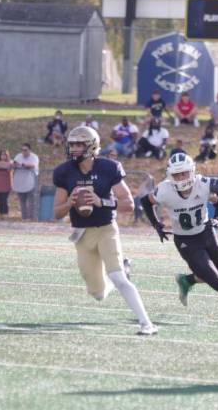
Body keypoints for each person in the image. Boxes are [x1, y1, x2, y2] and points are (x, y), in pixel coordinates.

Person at [52, 126, 157, 335]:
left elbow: (128, 204)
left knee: (118, 278)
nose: (74, 148)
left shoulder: (108, 168)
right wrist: (70, 203)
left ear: (92, 146)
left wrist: (102, 201)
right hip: (81, 235)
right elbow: (56, 212)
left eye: (79, 144)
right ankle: (121, 271)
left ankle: (146, 323)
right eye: (72, 144)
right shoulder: (64, 172)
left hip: (106, 230)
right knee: (98, 294)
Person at [140, 153, 218, 325]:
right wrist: (156, 224)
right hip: (187, 242)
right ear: (171, 175)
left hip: (207, 234)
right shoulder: (165, 190)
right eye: (177, 175)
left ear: (191, 171)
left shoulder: (203, 184)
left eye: (184, 173)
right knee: (217, 282)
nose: (181, 177)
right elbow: (145, 201)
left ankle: (188, 279)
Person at [13, 143, 39, 220]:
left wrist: (23, 165)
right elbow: (14, 164)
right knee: (22, 201)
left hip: (31, 181)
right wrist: (16, 165)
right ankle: (24, 218)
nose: (23, 152)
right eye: (22, 150)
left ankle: (31, 218)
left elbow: (32, 165)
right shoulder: (18, 156)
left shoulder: (34, 157)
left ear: (29, 150)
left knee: (31, 201)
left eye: (25, 150)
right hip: (20, 182)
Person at [0, 150, 13, 217]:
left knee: (4, 200)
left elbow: (8, 166)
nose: (3, 156)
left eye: (4, 155)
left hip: (6, 184)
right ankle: (1, 214)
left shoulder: (10, 162)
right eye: (2, 155)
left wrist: (1, 165)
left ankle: (5, 214)